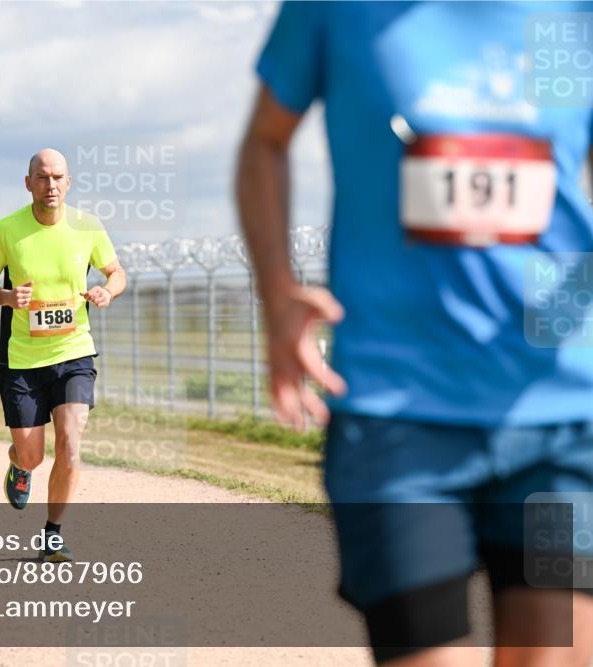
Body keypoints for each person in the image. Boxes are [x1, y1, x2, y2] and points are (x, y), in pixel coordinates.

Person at [237, 3, 593, 666]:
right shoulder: (337, 11)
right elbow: (265, 139)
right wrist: (277, 289)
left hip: (561, 409)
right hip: (398, 421)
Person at [0, 148, 126, 563]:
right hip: (22, 358)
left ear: (69, 183)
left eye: (58, 177)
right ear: (28, 183)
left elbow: (117, 271)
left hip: (74, 350)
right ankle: (19, 467)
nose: (51, 185)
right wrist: (6, 296)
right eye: (42, 177)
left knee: (72, 446)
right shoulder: (7, 230)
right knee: (32, 454)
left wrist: (106, 291)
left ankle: (52, 535)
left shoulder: (88, 227)